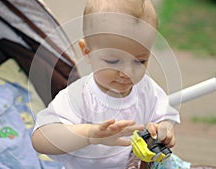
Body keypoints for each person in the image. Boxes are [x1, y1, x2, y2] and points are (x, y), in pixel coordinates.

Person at [32, 0, 180, 168]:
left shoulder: (147, 89)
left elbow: (165, 119)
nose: (127, 72)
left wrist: (164, 131)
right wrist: (89, 135)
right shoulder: (78, 96)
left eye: (140, 61)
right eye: (113, 60)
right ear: (87, 52)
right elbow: (41, 138)